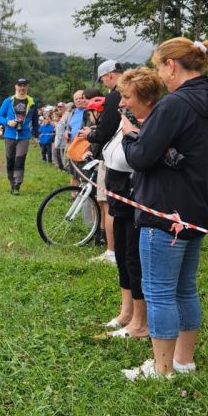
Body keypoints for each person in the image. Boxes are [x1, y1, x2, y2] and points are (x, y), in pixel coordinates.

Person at [120, 38, 208, 380]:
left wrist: (130, 135)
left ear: (171, 65)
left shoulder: (173, 104)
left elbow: (141, 157)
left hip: (164, 210)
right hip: (200, 205)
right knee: (185, 287)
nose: (158, 74)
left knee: (159, 290)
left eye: (158, 67)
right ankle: (184, 359)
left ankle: (162, 367)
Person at [101, 67, 164, 339]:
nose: (122, 102)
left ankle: (140, 321)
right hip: (118, 191)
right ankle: (126, 311)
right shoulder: (128, 118)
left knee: (133, 258)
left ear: (145, 98)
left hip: (134, 194)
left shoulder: (150, 124)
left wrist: (130, 134)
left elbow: (140, 156)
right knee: (123, 254)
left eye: (127, 97)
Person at [86, 59, 124, 264]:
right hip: (130, 154)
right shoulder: (133, 89)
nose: (103, 84)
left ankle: (112, 251)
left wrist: (90, 135)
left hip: (112, 156)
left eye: (103, 80)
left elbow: (106, 130)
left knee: (108, 204)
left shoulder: (114, 96)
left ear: (110, 75)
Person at [0, 78, 39, 195]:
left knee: (20, 160)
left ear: (27, 87)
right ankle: (11, 181)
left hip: (24, 136)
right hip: (10, 135)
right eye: (20, 85)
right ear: (16, 87)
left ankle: (17, 184)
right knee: (10, 160)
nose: (22, 88)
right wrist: (7, 122)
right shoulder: (8, 101)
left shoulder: (32, 102)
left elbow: (35, 121)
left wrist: (36, 136)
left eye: (24, 85)